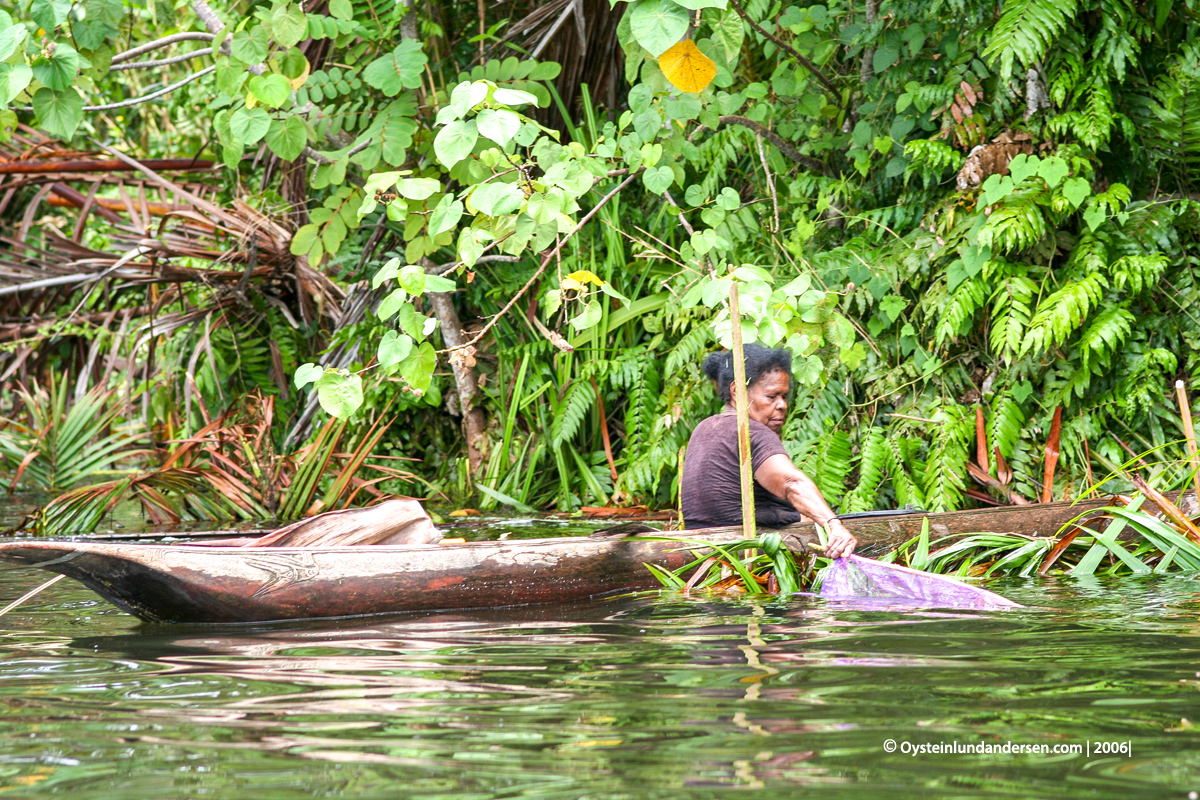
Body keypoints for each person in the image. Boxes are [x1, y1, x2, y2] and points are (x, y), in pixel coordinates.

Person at [680, 344, 857, 558]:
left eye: (784, 396)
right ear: (737, 391)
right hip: (740, 551)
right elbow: (791, 483)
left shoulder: (705, 427)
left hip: (698, 546)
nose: (782, 405)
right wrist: (833, 525)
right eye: (772, 397)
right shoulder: (750, 431)